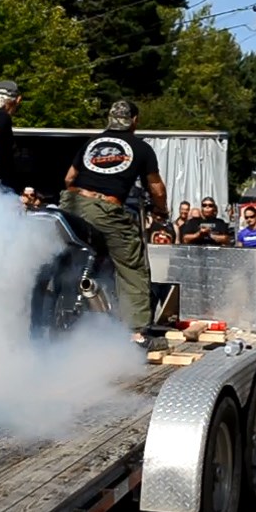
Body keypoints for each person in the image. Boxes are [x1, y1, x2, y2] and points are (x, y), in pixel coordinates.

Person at [59, 101, 170, 351]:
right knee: (132, 264)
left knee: (72, 258)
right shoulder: (141, 148)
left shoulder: (91, 143)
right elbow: (156, 188)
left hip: (71, 203)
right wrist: (161, 210)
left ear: (109, 119)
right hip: (105, 209)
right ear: (135, 120)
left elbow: (68, 178)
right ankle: (137, 336)